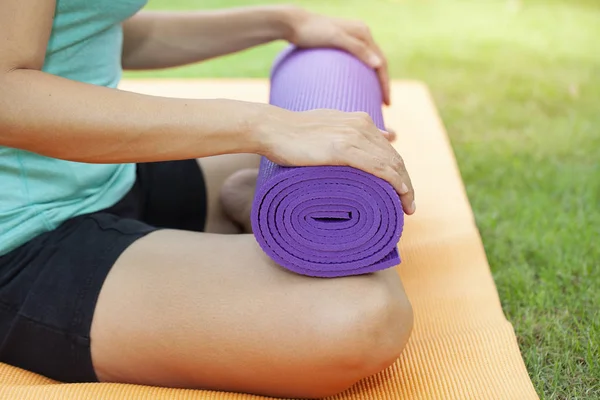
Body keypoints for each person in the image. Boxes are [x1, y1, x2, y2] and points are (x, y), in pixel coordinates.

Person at [0, 1, 416, 398]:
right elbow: (7, 96)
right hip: (18, 235)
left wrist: (282, 22)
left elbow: (88, 26)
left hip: (102, 174)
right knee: (362, 317)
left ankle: (247, 205)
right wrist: (266, 125)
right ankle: (250, 217)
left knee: (340, 170)